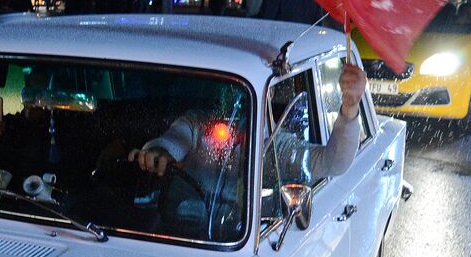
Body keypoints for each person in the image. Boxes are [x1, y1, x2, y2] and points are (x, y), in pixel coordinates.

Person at [131, 62, 366, 188]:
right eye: (230, 89)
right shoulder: (197, 124)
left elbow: (333, 163)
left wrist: (349, 107)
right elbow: (174, 139)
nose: (236, 100)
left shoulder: (278, 147)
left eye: (242, 91)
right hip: (186, 224)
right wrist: (159, 152)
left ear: (270, 93)